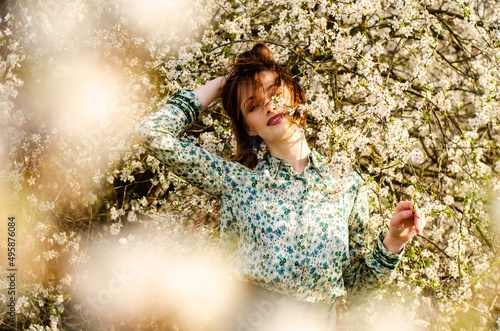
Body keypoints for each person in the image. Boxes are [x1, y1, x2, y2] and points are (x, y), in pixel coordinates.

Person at [135, 43, 425, 330]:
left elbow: (358, 289)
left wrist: (395, 241)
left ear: (295, 95)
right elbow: (152, 133)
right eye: (254, 105)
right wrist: (223, 84)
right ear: (249, 127)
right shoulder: (239, 181)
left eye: (274, 93)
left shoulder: (347, 185)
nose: (270, 105)